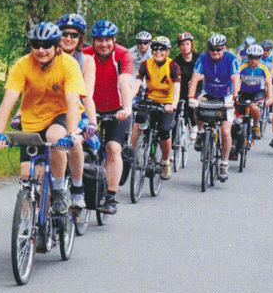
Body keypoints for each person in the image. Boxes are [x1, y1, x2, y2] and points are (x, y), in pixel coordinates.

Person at [0, 22, 88, 213]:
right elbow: (9, 100)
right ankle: (31, 223)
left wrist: (70, 134)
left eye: (46, 45)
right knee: (28, 175)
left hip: (61, 114)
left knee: (55, 137)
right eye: (36, 45)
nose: (41, 50)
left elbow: (72, 101)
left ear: (57, 47)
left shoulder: (69, 64)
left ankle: (60, 190)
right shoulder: (22, 65)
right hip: (32, 121)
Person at [83, 20, 134, 214]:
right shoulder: (85, 55)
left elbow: (125, 81)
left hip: (117, 109)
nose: (103, 44)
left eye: (107, 40)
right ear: (93, 41)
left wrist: (127, 108)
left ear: (114, 40)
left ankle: (111, 197)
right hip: (91, 109)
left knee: (113, 148)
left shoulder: (123, 54)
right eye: (99, 40)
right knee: (83, 147)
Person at [187, 33, 240, 182]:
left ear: (224, 48)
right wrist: (191, 98)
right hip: (209, 92)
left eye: (218, 49)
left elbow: (236, 79)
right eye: (212, 49)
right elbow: (194, 79)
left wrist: (235, 98)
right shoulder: (203, 59)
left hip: (226, 95)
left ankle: (224, 164)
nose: (215, 52)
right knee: (197, 105)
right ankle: (200, 133)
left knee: (225, 131)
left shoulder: (231, 59)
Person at [130, 36, 181, 179]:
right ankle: (137, 149)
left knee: (164, 130)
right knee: (140, 118)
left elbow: (177, 88)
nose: (158, 52)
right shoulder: (146, 64)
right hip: (150, 100)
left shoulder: (173, 66)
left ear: (168, 51)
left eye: (162, 49)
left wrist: (173, 104)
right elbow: (137, 83)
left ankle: (165, 162)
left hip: (167, 103)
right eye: (155, 49)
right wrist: (129, 99)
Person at [233, 43, 273, 156]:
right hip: (244, 92)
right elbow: (236, 81)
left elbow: (268, 84)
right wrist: (234, 96)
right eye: (251, 57)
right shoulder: (242, 66)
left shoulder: (263, 67)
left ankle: (256, 125)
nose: (253, 60)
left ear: (260, 58)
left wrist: (270, 98)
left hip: (257, 92)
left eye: (256, 58)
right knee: (237, 119)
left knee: (254, 108)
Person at [172, 32, 199, 140]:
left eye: (187, 44)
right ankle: (178, 132)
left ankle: (194, 126)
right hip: (182, 87)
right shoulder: (176, 60)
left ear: (191, 45)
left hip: (197, 86)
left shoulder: (198, 58)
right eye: (182, 45)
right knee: (178, 107)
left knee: (192, 105)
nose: (185, 47)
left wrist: (195, 79)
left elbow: (206, 72)